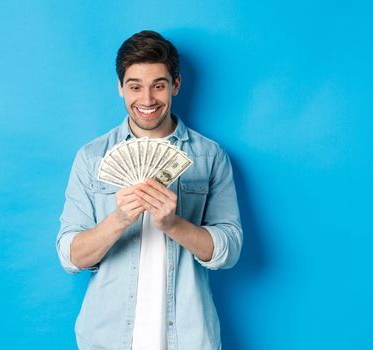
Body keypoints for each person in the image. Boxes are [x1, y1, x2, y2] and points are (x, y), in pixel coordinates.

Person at [56, 30, 243, 350]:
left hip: (189, 337)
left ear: (176, 85)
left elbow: (230, 250)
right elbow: (70, 256)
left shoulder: (210, 156)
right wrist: (119, 218)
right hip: (106, 338)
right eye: (135, 86)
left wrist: (174, 224)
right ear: (120, 88)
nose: (146, 100)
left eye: (158, 85)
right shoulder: (91, 157)